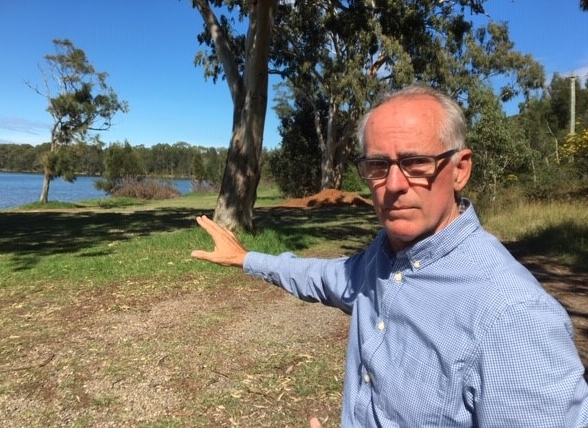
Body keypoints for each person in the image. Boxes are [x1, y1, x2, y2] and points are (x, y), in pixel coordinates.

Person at [191, 85, 588, 427]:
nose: (393, 185)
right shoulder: (380, 262)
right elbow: (319, 275)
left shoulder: (515, 318)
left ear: (460, 169)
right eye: (378, 165)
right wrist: (245, 259)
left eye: (416, 162)